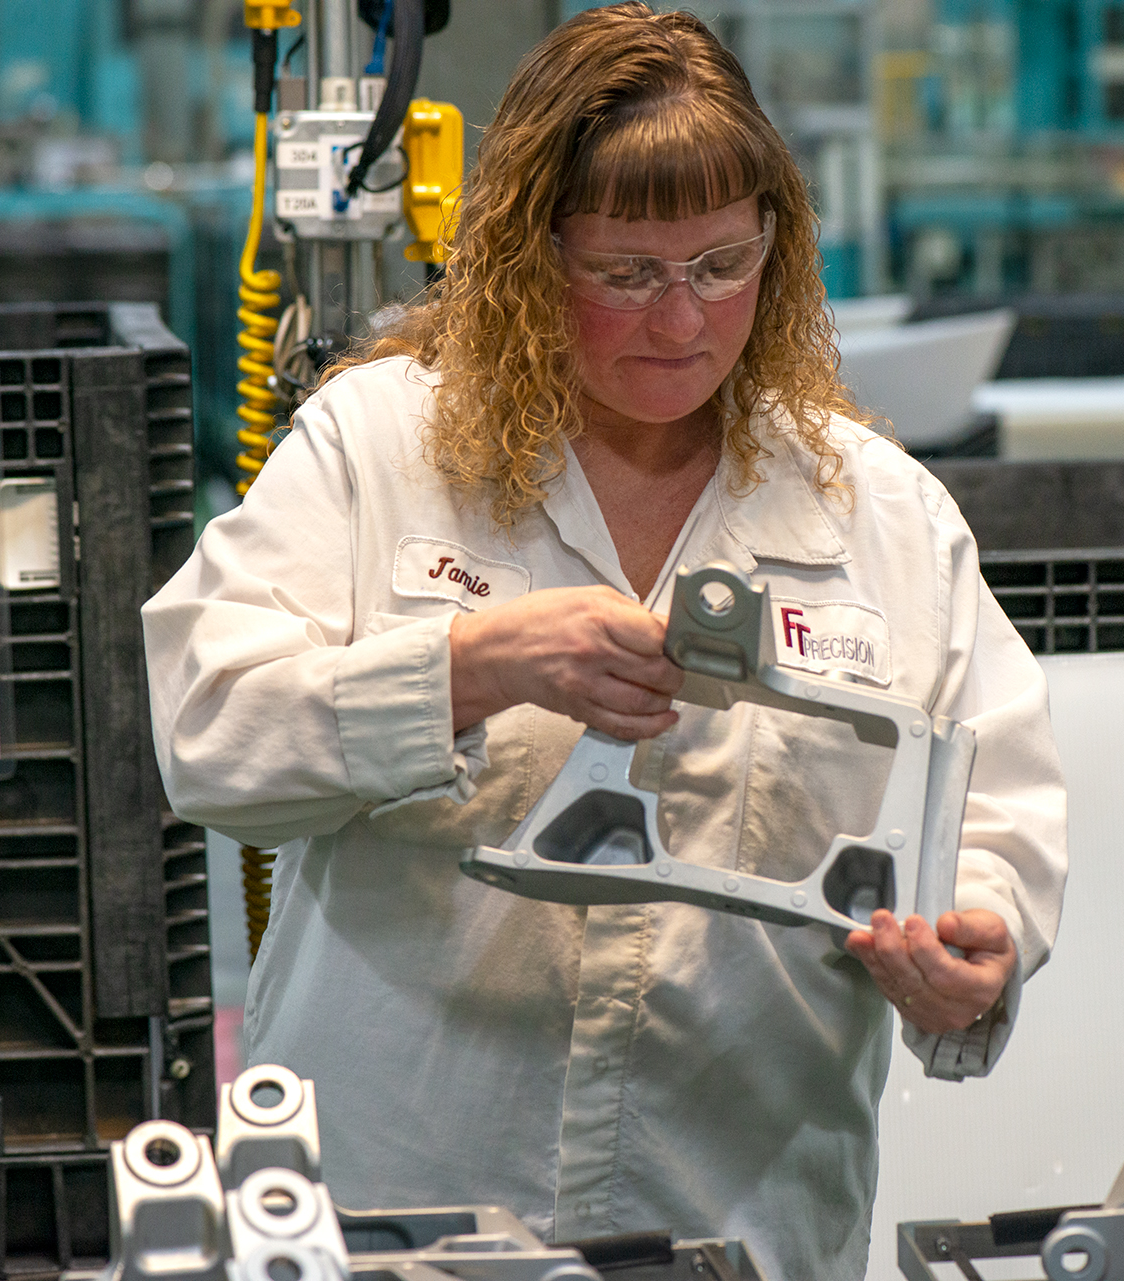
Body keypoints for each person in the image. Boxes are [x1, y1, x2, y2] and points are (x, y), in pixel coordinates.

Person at [141, 5, 1067, 1277]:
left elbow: (994, 810)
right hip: (397, 1206)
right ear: (532, 253)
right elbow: (208, 736)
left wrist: (977, 945)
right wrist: (474, 667)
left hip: (734, 1213)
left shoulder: (879, 514)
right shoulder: (383, 449)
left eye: (723, 264)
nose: (682, 320)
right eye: (627, 273)